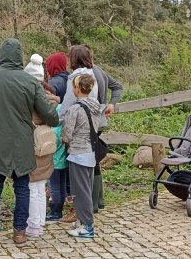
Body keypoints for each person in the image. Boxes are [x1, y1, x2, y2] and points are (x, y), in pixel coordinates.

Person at [0, 39, 59, 251]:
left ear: (1, 54)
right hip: (22, 142)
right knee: (22, 188)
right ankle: (19, 233)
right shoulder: (29, 80)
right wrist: (54, 120)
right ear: (19, 56)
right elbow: (48, 113)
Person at [59, 45, 123, 213]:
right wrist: (111, 104)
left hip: (85, 122)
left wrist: (57, 121)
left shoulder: (79, 77)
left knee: (84, 163)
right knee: (93, 161)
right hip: (97, 121)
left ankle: (87, 206)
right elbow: (118, 87)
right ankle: (97, 201)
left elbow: (67, 105)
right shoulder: (97, 72)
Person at [61, 74, 101, 238]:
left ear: (77, 88)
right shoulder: (96, 105)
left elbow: (66, 135)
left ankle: (87, 226)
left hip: (78, 153)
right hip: (90, 152)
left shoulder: (75, 109)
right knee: (86, 189)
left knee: (81, 192)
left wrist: (64, 139)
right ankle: (82, 222)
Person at [24, 59, 56, 238]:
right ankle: (41, 221)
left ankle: (34, 225)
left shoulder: (29, 97)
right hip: (46, 144)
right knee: (41, 186)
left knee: (32, 187)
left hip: (32, 145)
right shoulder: (50, 96)